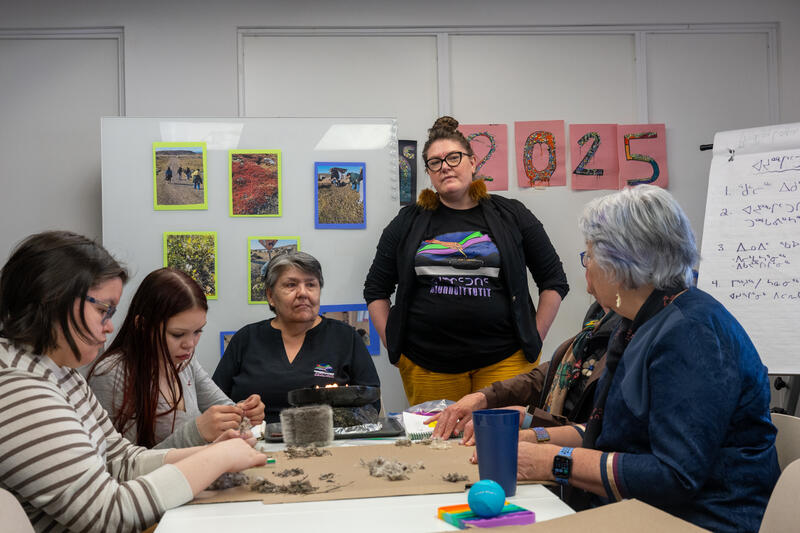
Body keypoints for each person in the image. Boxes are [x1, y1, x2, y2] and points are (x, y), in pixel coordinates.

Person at [504, 186, 778, 532]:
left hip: (703, 519)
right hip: (646, 512)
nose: (586, 277)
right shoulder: (646, 320)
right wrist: (537, 438)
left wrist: (554, 462)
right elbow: (619, 436)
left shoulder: (690, 333)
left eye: (589, 257)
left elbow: (674, 476)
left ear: (621, 264)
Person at [0, 231, 266, 533]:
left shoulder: (62, 372)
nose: (110, 325)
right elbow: (107, 514)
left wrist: (209, 453)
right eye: (103, 310)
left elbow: (123, 461)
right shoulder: (17, 386)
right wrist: (216, 458)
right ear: (54, 300)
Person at [363, 116, 569, 406]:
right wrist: (393, 344)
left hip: (505, 362)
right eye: (435, 162)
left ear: (472, 162)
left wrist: (535, 336)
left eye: (453, 157)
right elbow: (375, 289)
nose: (444, 165)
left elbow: (554, 280)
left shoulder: (513, 215)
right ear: (430, 173)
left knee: (501, 445)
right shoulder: (407, 222)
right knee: (437, 447)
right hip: (427, 365)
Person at [88, 268, 265, 448]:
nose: (190, 344)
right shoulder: (111, 374)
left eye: (197, 331)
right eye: (177, 334)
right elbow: (122, 465)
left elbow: (225, 407)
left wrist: (245, 412)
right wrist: (197, 432)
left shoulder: (185, 361)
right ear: (142, 326)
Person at [213, 252, 380, 422]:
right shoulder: (246, 339)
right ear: (270, 296)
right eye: (291, 285)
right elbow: (214, 403)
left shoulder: (346, 337)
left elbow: (371, 403)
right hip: (255, 442)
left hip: (327, 441)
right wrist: (242, 411)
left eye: (310, 285)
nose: (303, 293)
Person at [430, 293, 621, 441]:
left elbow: (598, 434)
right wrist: (485, 397)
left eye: (590, 257)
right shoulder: (598, 316)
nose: (587, 267)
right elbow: (547, 376)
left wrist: (527, 419)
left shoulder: (629, 334)